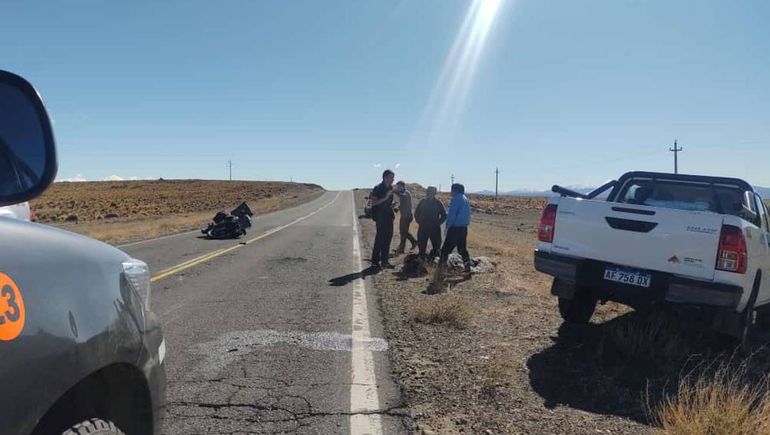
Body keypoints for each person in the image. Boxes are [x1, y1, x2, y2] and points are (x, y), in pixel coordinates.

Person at [439, 183, 472, 275]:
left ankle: (440, 271)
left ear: (455, 190)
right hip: (463, 228)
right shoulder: (465, 199)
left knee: (445, 250)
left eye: (452, 190)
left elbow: (452, 214)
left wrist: (447, 226)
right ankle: (467, 268)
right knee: (462, 249)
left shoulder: (456, 199)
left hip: (455, 229)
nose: (451, 192)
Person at [369, 169, 396, 268]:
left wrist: (392, 205)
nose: (392, 180)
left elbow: (387, 203)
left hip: (389, 216)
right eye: (391, 177)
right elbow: (374, 203)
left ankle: (384, 261)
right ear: (385, 177)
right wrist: (385, 197)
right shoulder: (378, 188)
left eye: (393, 178)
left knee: (388, 239)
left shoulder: (390, 188)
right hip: (380, 217)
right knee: (380, 239)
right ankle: (375, 262)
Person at [414, 186, 446, 258]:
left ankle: (434, 264)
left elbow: (444, 215)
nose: (429, 193)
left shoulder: (438, 203)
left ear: (434, 193)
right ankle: (421, 261)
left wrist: (438, 223)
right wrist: (419, 221)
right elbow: (416, 213)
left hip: (434, 229)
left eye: (431, 192)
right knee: (421, 246)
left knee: (436, 247)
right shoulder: (422, 201)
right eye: (428, 191)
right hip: (423, 228)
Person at [394, 181, 418, 254]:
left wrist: (394, 191)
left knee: (403, 232)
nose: (398, 188)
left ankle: (402, 249)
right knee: (403, 232)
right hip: (404, 216)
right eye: (397, 187)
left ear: (403, 186)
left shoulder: (406, 193)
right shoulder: (402, 194)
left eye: (399, 187)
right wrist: (398, 208)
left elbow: (402, 196)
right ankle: (412, 243)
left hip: (407, 217)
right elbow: (404, 204)